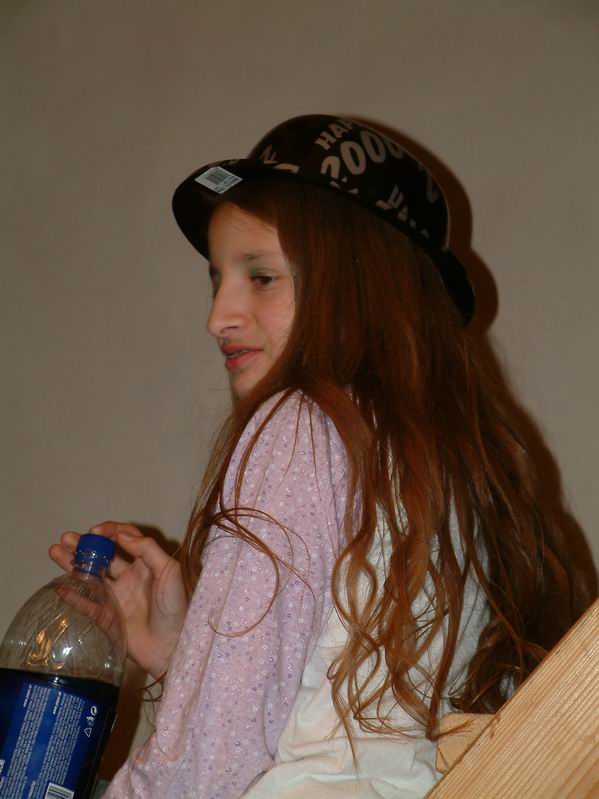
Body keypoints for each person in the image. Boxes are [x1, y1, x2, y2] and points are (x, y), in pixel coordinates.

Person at [50, 115, 581, 798]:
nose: (218, 316)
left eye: (261, 277)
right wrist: (185, 653)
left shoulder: (301, 423)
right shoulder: (451, 469)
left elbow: (213, 765)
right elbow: (352, 725)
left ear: (360, 284)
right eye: (216, 280)